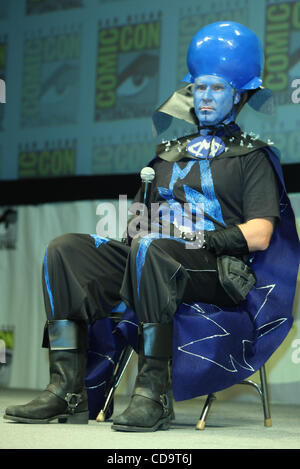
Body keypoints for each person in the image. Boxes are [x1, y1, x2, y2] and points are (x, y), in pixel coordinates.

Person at [4, 22, 299, 432]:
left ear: (238, 93)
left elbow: (261, 234)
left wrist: (194, 238)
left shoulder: (253, 156)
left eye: (217, 88)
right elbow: (139, 228)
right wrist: (139, 236)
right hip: (154, 260)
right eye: (199, 88)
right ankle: (66, 389)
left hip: (216, 271)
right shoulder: (167, 156)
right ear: (189, 91)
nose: (206, 97)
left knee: (154, 249)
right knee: (65, 249)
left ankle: (153, 395)